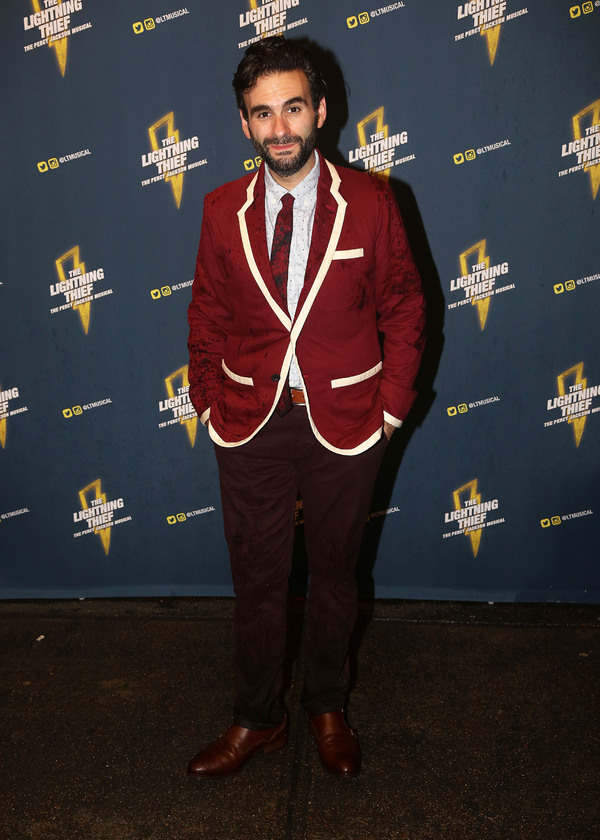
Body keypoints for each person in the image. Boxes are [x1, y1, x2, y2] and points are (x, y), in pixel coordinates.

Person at [186, 36, 425, 778]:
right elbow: (207, 312)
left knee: (332, 577)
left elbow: (407, 309)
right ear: (244, 124)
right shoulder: (221, 207)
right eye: (263, 113)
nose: (280, 127)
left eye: (293, 107)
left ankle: (326, 706)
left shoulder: (378, 202)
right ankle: (257, 719)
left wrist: (388, 410)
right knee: (256, 581)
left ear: (320, 110)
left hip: (347, 424)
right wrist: (206, 399)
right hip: (249, 421)